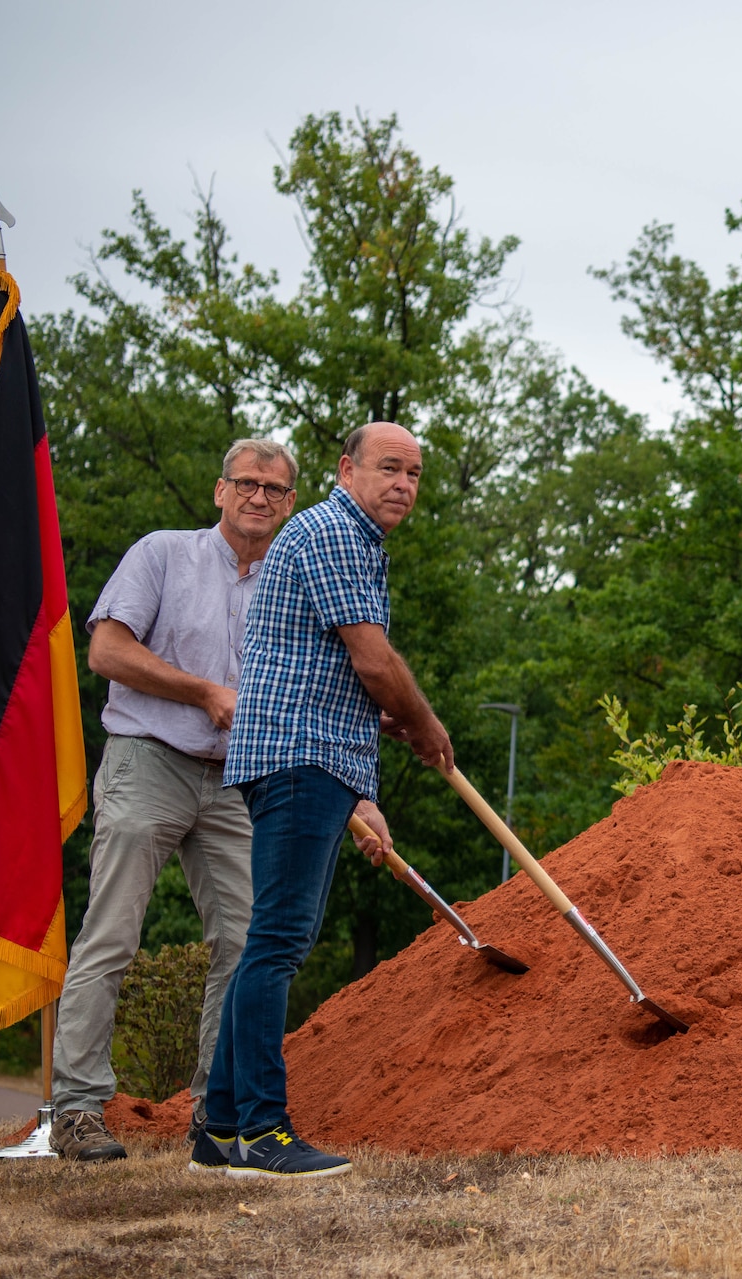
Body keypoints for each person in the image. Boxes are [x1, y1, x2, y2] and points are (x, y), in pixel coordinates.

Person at [197, 422, 453, 1180]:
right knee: (275, 942)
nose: (403, 483)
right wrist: (425, 722)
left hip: (309, 754)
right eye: (388, 468)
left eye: (413, 473)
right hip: (297, 757)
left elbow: (334, 677)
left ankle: (217, 1129)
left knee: (269, 941)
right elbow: (373, 661)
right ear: (347, 469)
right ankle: (262, 1132)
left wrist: (366, 782)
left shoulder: (345, 539)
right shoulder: (335, 532)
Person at [48, 440, 299, 1163]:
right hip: (147, 757)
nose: (259, 496)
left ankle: (213, 1110)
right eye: (246, 483)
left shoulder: (287, 584)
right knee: (112, 933)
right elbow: (107, 652)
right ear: (219, 490)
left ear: (289, 505)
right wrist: (202, 691)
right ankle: (77, 1108)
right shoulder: (162, 553)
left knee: (250, 941)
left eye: (275, 489)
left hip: (233, 780)